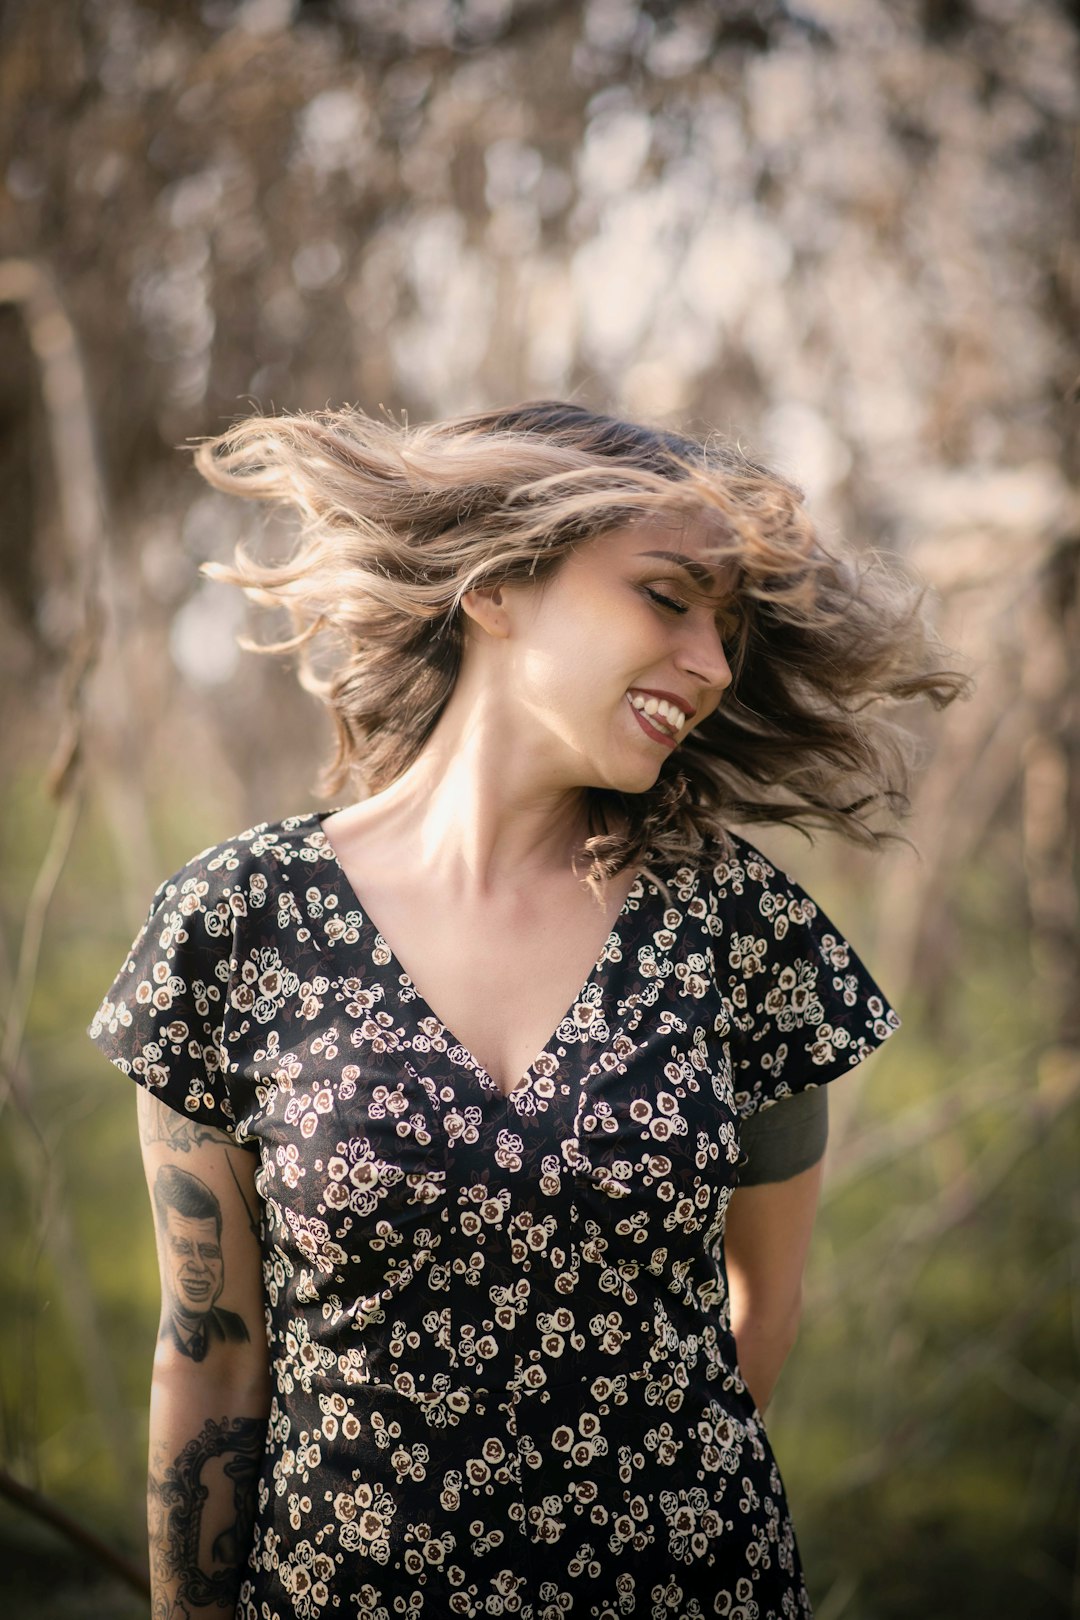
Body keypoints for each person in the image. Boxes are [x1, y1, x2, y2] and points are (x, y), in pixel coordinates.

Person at [88, 401, 965, 1620]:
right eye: (668, 597)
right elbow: (211, 1358)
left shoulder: (737, 931)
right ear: (498, 583)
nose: (712, 665)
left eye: (727, 630)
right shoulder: (239, 923)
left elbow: (762, 1313)